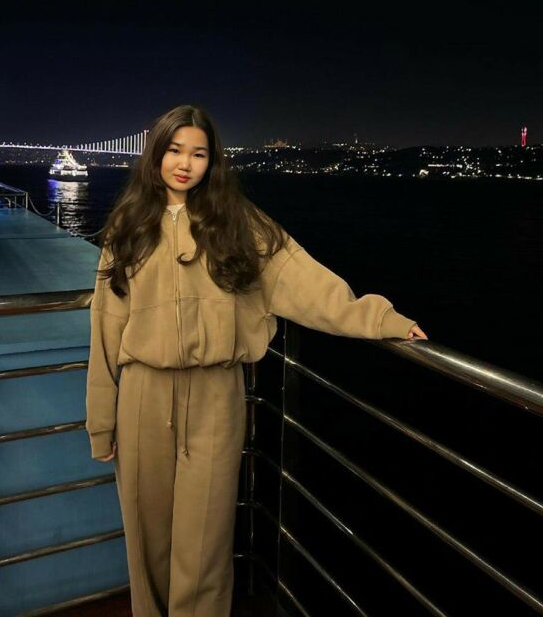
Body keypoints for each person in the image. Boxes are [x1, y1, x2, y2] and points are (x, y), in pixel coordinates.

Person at [85, 104, 428, 617]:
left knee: (206, 546)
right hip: (142, 396)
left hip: (216, 396)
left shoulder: (237, 222)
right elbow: (106, 328)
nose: (185, 163)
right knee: (146, 539)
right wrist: (101, 422)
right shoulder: (127, 226)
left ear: (212, 161)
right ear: (155, 154)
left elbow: (304, 282)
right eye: (174, 150)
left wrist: (379, 319)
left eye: (199, 153)